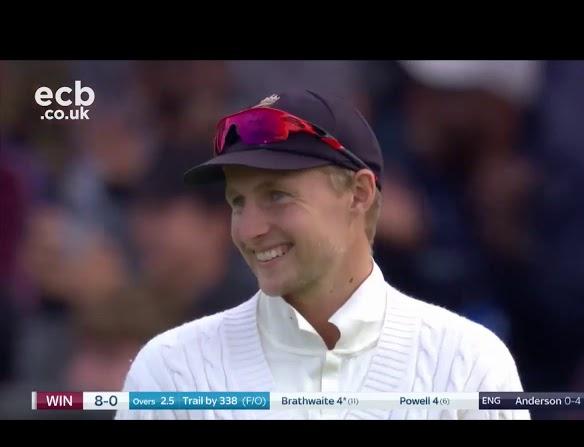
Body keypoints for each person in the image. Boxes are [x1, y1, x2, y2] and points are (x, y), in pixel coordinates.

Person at [116, 90, 529, 420]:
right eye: (238, 202)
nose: (249, 229)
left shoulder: (467, 363)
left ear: (360, 194)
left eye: (277, 196)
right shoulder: (172, 369)